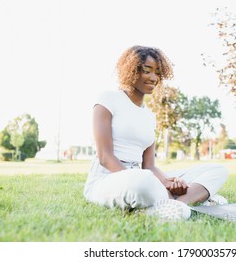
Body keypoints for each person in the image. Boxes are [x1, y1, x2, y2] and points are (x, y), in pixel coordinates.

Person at [84, 45, 228, 221]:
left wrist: (169, 181)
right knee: (143, 182)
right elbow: (105, 157)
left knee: (218, 170)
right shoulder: (107, 99)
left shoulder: (149, 116)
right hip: (109, 178)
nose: (154, 78)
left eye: (158, 73)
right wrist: (156, 182)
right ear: (132, 71)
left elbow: (149, 166)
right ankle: (197, 198)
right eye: (147, 71)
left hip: (143, 175)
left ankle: (176, 203)